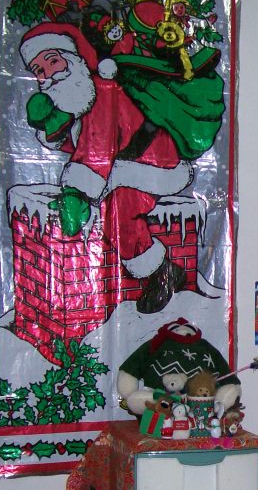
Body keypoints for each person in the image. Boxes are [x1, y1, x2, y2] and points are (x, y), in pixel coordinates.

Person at [20, 22, 192, 314]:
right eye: (40, 70)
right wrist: (51, 127)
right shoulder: (77, 99)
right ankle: (159, 269)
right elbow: (80, 143)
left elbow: (97, 148)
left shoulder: (100, 91)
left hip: (150, 163)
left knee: (120, 210)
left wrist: (77, 194)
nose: (49, 74)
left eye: (53, 61)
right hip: (122, 165)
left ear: (73, 59)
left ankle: (161, 272)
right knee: (112, 206)